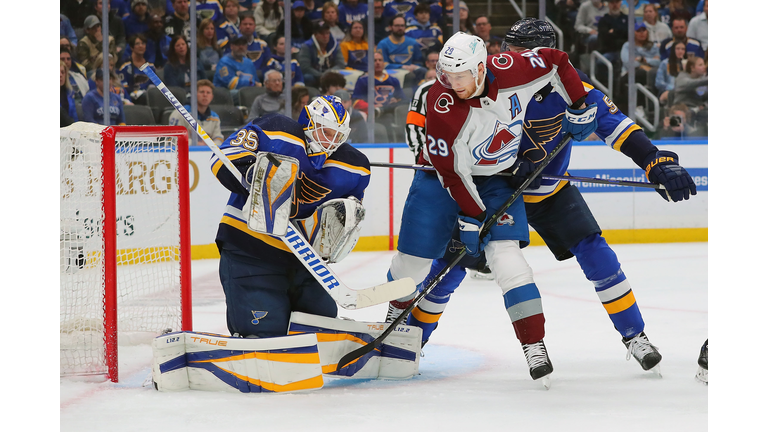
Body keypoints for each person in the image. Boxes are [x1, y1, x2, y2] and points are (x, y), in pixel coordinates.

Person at [402, 19, 696, 377]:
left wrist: (655, 160)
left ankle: (635, 335)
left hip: (551, 193)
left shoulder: (574, 90)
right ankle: (409, 340)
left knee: (597, 252)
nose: (512, 58)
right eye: (509, 49)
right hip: (498, 192)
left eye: (521, 50)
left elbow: (618, 128)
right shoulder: (492, 84)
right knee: (450, 265)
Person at [384, 30, 600, 383]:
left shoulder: (513, 69)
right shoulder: (442, 104)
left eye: (460, 76)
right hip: (438, 181)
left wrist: (579, 106)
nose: (452, 83)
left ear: (482, 69)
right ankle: (393, 323)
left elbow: (557, 61)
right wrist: (473, 216)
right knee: (413, 263)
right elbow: (453, 175)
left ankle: (534, 343)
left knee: (507, 257)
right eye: (447, 75)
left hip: (497, 178)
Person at [211, 96, 369, 339]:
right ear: (309, 123)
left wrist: (341, 219)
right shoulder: (276, 129)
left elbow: (346, 213)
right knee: (266, 331)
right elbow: (224, 157)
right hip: (250, 249)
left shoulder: (354, 166)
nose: (331, 141)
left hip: (305, 260)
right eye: (326, 132)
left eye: (338, 135)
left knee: (322, 326)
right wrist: (252, 172)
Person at [351, 51, 405, 135]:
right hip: (372, 114)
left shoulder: (393, 81)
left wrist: (396, 101)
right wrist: (372, 108)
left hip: (390, 112)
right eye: (375, 60)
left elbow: (402, 100)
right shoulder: (363, 80)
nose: (378, 63)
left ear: (384, 63)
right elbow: (356, 102)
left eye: (380, 60)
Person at [169, 79, 224, 145]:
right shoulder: (180, 113)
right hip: (183, 153)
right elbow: (172, 139)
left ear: (212, 97)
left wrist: (212, 145)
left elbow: (218, 138)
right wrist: (196, 144)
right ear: (194, 94)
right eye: (202, 92)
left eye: (208, 93)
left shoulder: (215, 118)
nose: (205, 95)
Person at [298, 22, 346, 88]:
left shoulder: (334, 45)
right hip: (315, 75)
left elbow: (340, 64)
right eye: (322, 33)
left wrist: (328, 74)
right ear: (315, 35)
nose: (325, 36)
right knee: (307, 77)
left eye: (327, 33)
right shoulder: (307, 46)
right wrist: (321, 75)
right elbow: (305, 67)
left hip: (331, 73)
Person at [118, 34, 153, 103]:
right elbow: (122, 86)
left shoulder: (151, 67)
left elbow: (154, 86)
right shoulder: (125, 66)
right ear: (132, 47)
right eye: (137, 44)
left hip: (147, 97)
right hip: (131, 97)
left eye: (143, 43)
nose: (141, 46)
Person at [655, 40, 686, 106]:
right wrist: (672, 88)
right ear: (673, 50)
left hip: (683, 91)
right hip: (668, 92)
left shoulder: (686, 64)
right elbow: (659, 83)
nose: (680, 51)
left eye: (683, 49)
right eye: (678, 49)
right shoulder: (665, 63)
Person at [61, 60, 79, 126]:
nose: (60, 75)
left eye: (62, 72)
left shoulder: (70, 93)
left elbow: (74, 116)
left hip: (68, 130)